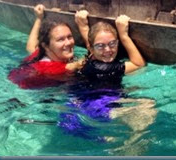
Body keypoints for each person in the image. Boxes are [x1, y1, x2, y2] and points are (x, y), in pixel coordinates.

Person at [58, 10, 156, 147]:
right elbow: (139, 64)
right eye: (101, 46)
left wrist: (82, 25)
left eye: (112, 44)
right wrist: (123, 35)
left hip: (77, 104)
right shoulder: (105, 67)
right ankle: (132, 146)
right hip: (95, 108)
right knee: (147, 105)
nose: (107, 50)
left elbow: (93, 41)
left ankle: (112, 140)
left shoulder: (89, 60)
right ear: (92, 48)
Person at [8, 4, 83, 89]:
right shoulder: (57, 69)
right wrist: (83, 26)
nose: (68, 43)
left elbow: (30, 46)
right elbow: (92, 56)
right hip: (28, 95)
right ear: (46, 46)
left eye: (69, 37)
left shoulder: (40, 54)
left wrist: (39, 18)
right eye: (60, 39)